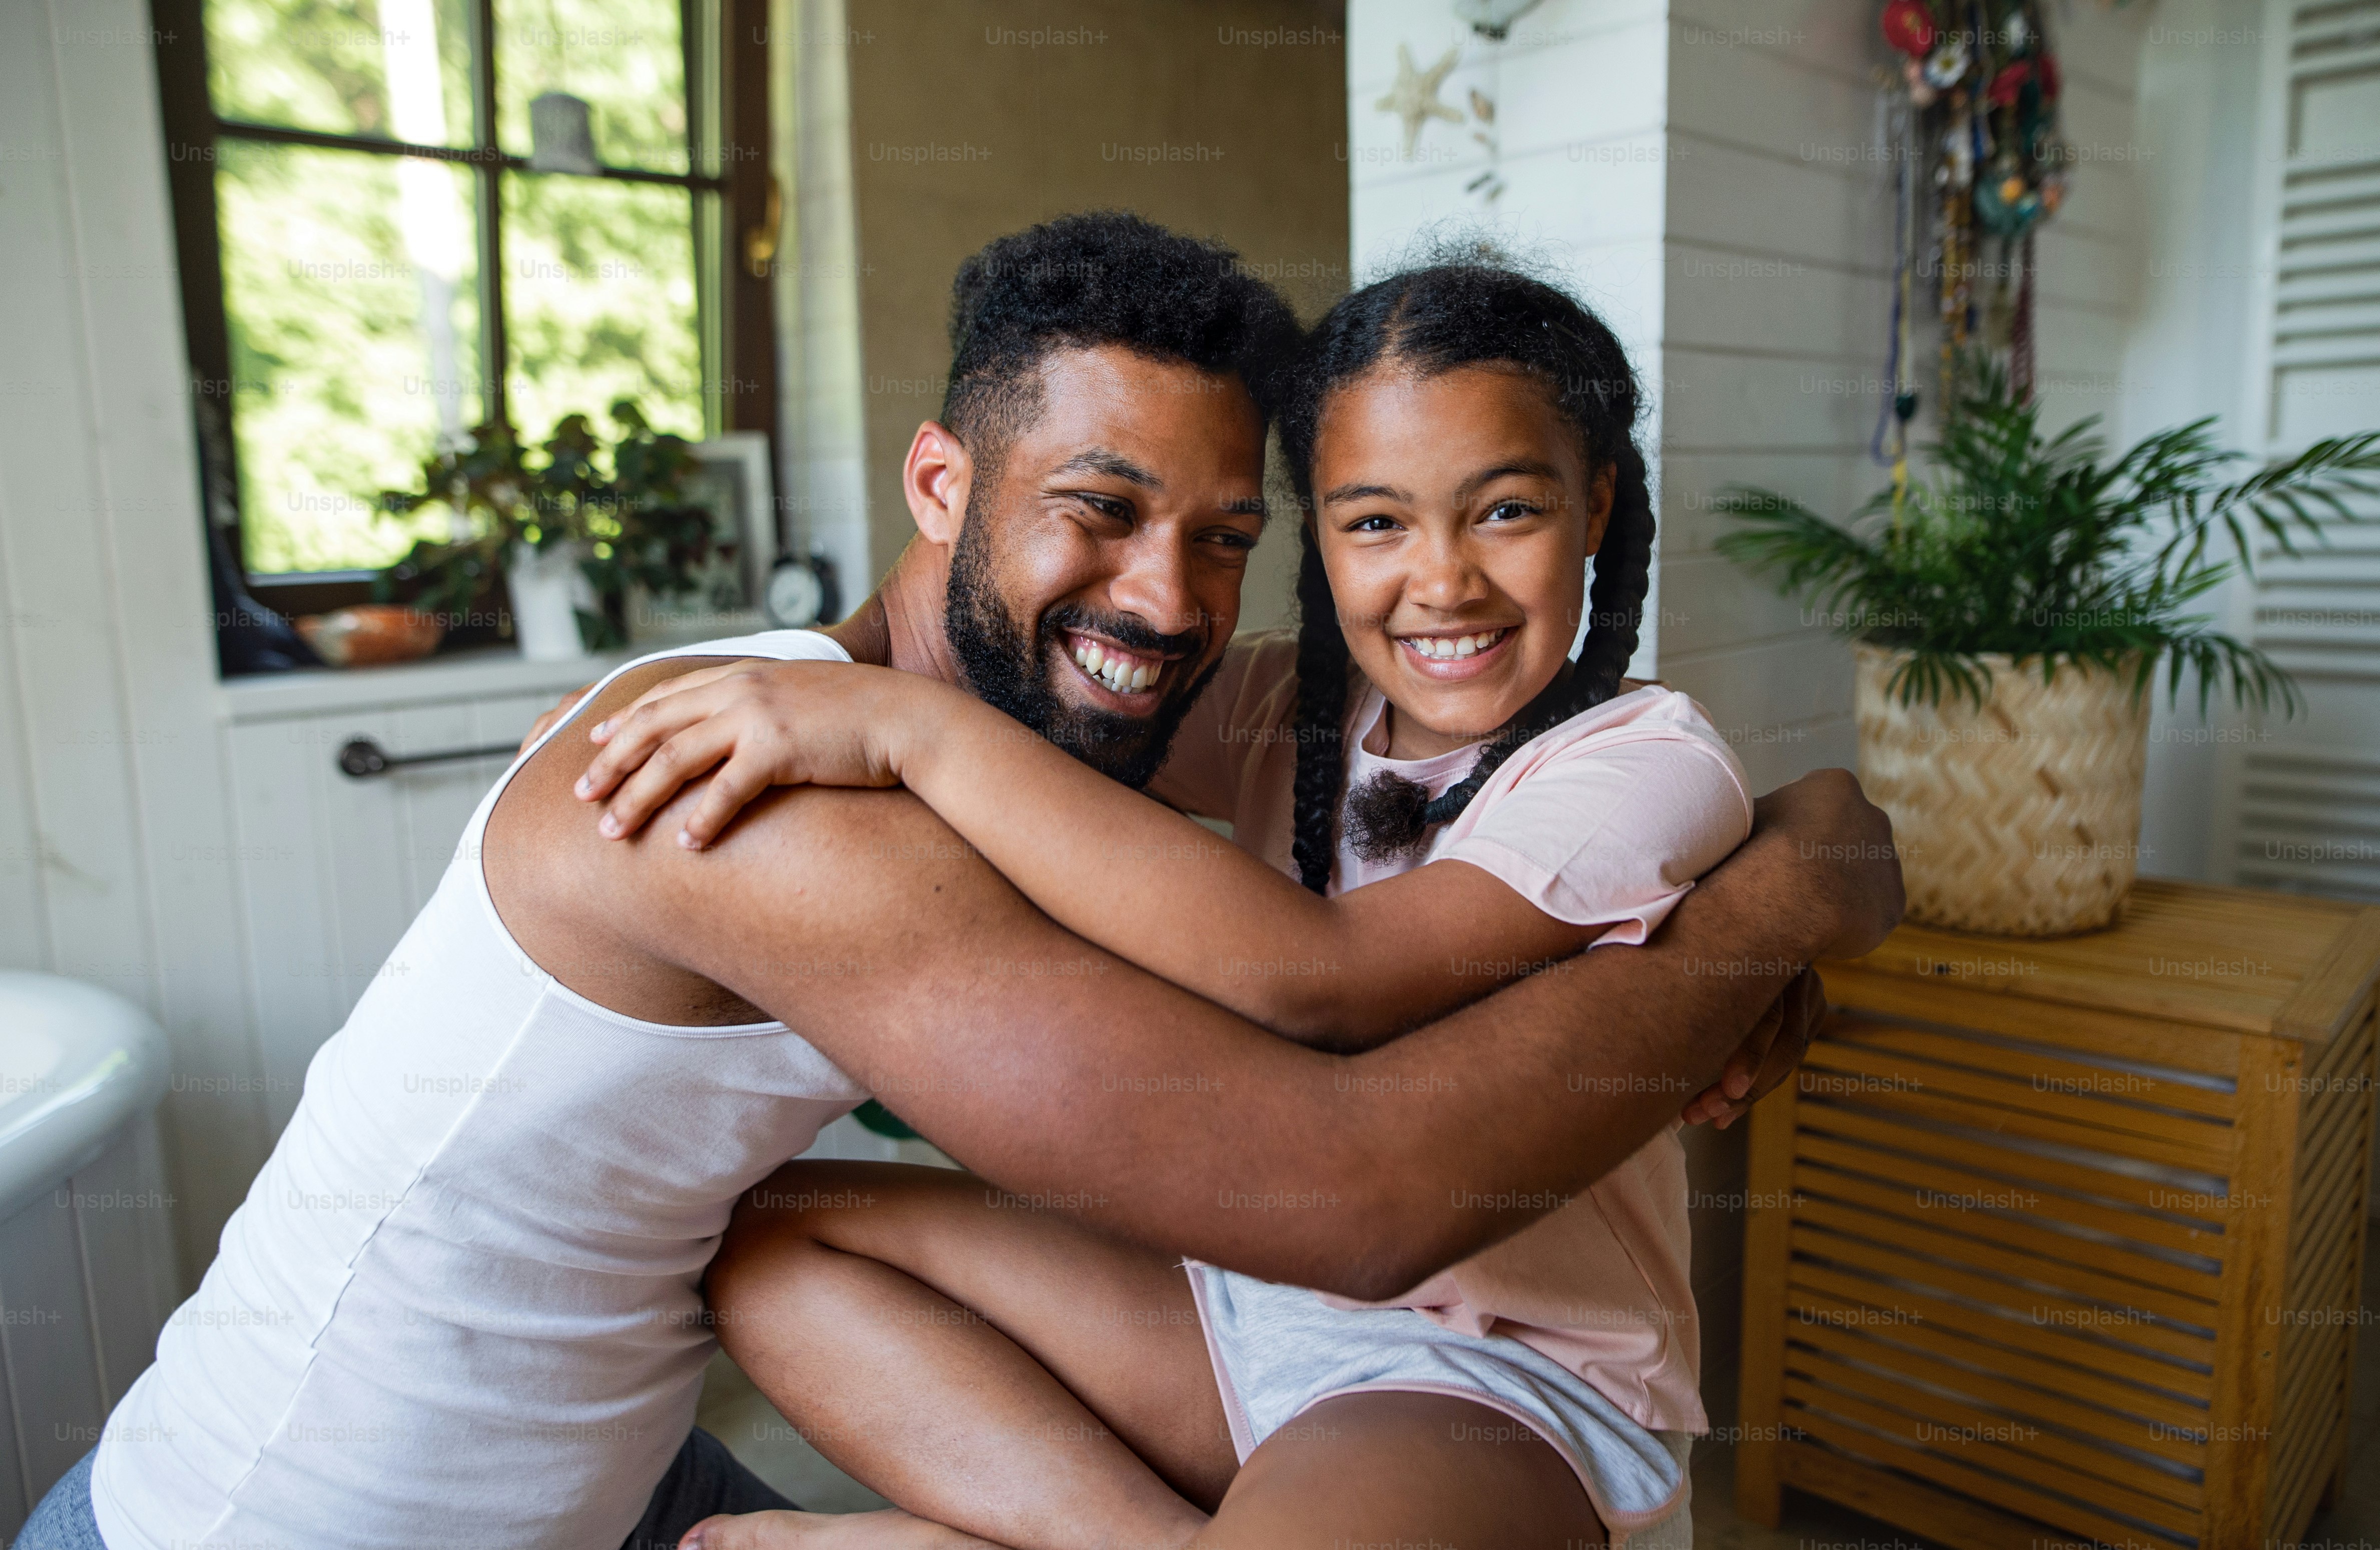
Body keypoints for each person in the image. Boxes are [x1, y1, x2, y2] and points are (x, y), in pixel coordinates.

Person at [27, 215, 1898, 1550]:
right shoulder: (775, 793)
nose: (1165, 600)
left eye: (1224, 537)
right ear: (940, 481)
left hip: (616, 1486)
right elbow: (1349, 1189)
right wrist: (1766, 919)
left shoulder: (1075, 721)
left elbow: (1579, 794)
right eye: (1094, 508)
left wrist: (1791, 847)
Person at [567, 259, 1747, 1549]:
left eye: (1506, 510)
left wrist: (905, 733)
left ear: (1597, 507)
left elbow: (1334, 975)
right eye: (1374, 523)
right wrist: (711, 699)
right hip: (1228, 1307)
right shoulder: (1286, 707)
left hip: (1485, 1372)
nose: (1442, 580)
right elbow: (1035, 696)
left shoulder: (1645, 762)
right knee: (778, 1239)